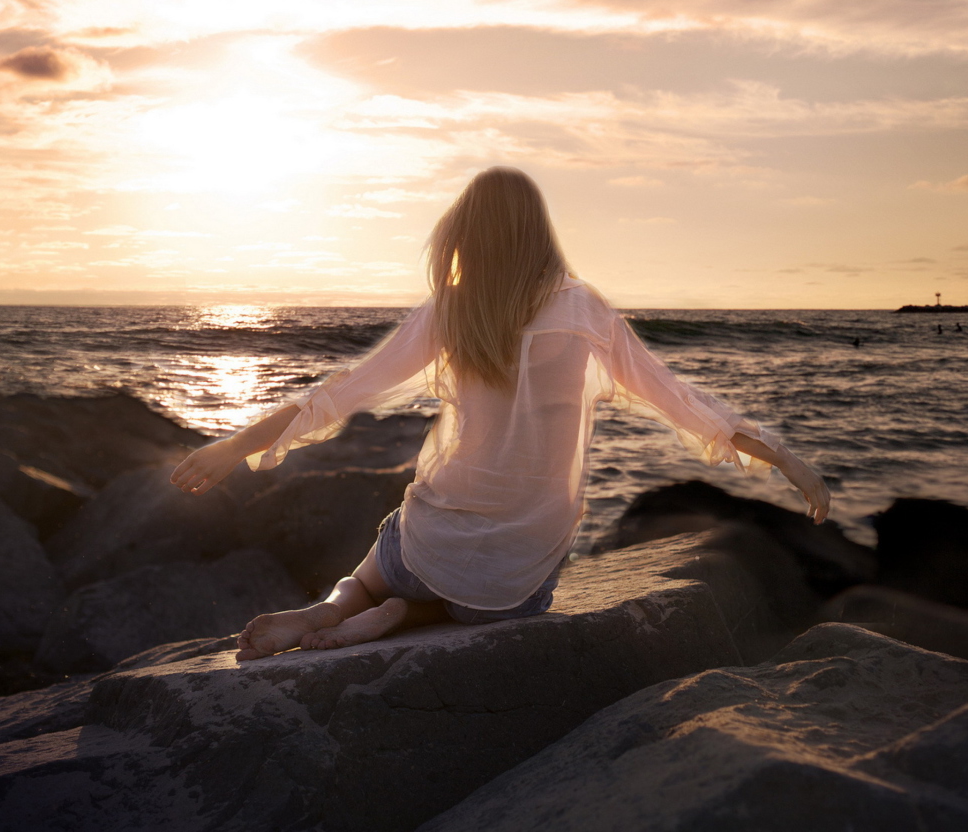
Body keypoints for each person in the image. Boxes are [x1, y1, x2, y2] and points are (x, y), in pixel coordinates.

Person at [170, 167, 830, 661]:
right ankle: (406, 617)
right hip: (517, 575)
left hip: (428, 544)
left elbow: (341, 393)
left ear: (466, 234)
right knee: (486, 587)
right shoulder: (585, 312)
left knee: (375, 564)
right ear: (539, 235)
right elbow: (682, 403)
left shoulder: (450, 311)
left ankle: (347, 608)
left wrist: (234, 446)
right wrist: (786, 458)